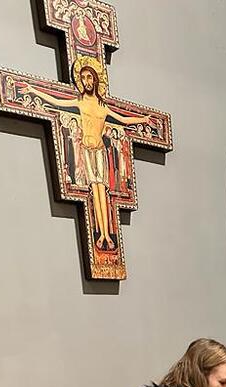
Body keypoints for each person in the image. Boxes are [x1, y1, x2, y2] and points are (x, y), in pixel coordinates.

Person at [26, 62, 150, 251]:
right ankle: (101, 233)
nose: (86, 81)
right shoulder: (80, 102)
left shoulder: (103, 107)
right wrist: (33, 90)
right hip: (87, 150)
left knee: (103, 193)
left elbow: (123, 119)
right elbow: (57, 102)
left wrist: (144, 119)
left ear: (95, 79)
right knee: (94, 191)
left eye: (89, 77)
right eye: (83, 78)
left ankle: (107, 234)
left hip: (100, 151)